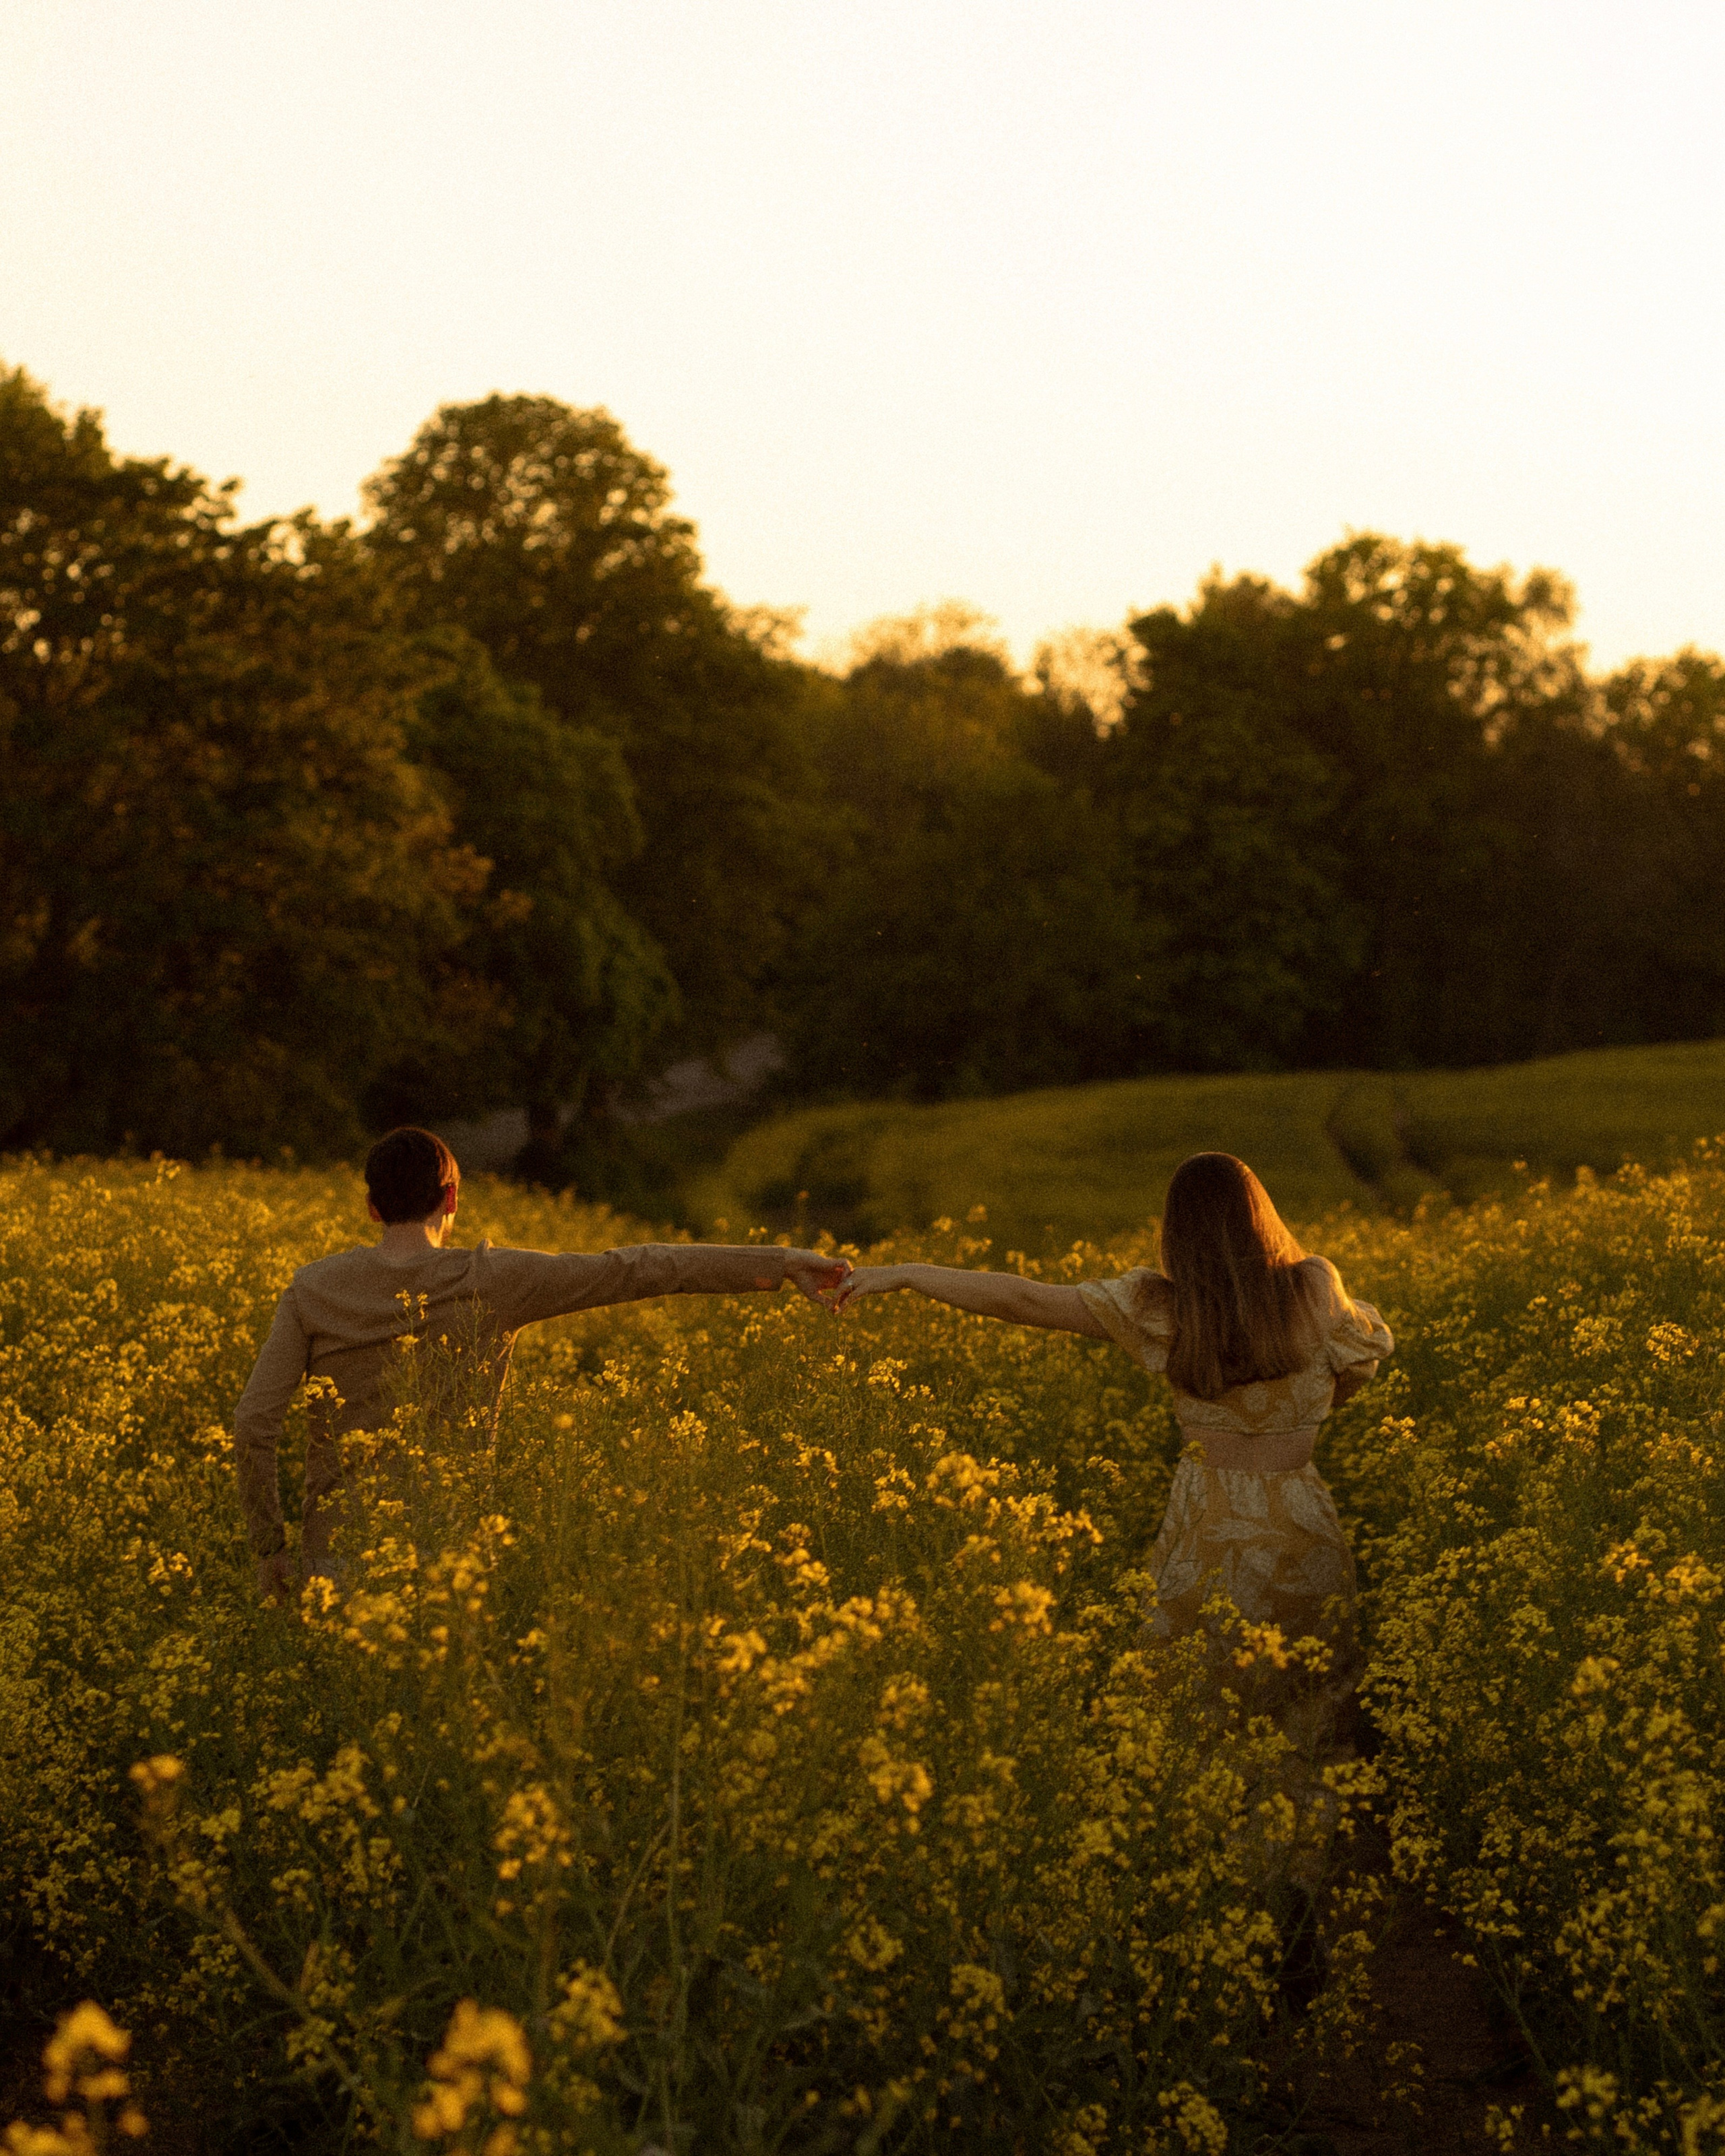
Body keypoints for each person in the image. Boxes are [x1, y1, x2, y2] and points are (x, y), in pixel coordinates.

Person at [833, 1151, 1393, 1764]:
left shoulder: (1164, 1308)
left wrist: (909, 1273)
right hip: (1302, 1523)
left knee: (1191, 1720)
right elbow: (1353, 1372)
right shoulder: (1315, 1286)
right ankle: (1309, 1848)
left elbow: (1024, 1300)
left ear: (1177, 1232)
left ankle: (1203, 1847)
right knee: (1307, 1715)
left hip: (1208, 1528)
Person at [237, 1126, 852, 1602]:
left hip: (335, 1559)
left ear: (372, 1207)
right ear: (450, 1198)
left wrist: (271, 1547)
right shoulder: (494, 1278)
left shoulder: (312, 1289)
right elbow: (640, 1267)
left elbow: (254, 1425)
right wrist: (781, 1262)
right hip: (448, 1557)